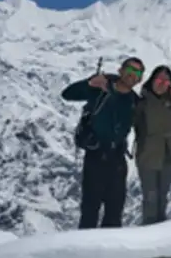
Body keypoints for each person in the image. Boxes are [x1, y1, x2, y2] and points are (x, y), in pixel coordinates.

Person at [61, 57, 144, 229]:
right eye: (129, 69)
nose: (132, 75)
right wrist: (90, 83)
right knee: (90, 212)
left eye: (137, 72)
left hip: (118, 161)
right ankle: (83, 254)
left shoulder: (135, 102)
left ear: (140, 79)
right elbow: (67, 94)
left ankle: (108, 254)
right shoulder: (101, 88)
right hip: (95, 157)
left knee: (114, 215)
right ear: (120, 70)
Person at [133, 65, 171, 225]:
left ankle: (161, 230)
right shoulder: (141, 103)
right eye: (159, 79)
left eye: (166, 81)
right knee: (150, 197)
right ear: (151, 80)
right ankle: (149, 230)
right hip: (148, 155)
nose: (162, 83)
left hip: (168, 153)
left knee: (163, 195)